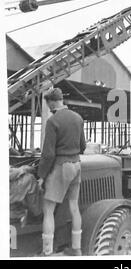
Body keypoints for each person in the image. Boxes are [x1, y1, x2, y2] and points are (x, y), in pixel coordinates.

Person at [37, 88, 86, 256]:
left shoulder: (53, 121)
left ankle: (47, 251)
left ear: (51, 102)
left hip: (61, 166)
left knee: (48, 209)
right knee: (74, 206)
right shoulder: (78, 118)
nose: (48, 107)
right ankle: (76, 248)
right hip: (77, 165)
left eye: (48, 103)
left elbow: (48, 154)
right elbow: (83, 146)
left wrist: (41, 176)